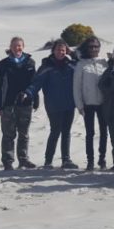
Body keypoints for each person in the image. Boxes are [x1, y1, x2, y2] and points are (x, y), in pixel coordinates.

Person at [24, 39, 78, 169]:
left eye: (63, 50)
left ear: (66, 51)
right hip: (53, 104)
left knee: (66, 131)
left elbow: (82, 76)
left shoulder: (72, 65)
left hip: (69, 103)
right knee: (55, 131)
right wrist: (28, 93)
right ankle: (48, 161)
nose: (60, 52)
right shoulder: (47, 66)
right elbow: (37, 82)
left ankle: (66, 159)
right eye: (58, 49)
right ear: (53, 51)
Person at [0, 36, 38, 170]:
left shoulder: (30, 62)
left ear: (23, 47)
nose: (17, 48)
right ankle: (8, 161)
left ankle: (23, 159)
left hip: (26, 104)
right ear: (10, 47)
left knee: (24, 134)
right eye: (14, 46)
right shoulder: (4, 63)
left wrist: (35, 101)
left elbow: (34, 83)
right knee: (8, 134)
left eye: (19, 46)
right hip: (8, 104)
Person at [74, 36, 109, 170]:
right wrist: (79, 105)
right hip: (88, 104)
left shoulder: (104, 62)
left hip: (102, 103)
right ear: (86, 49)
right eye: (91, 47)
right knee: (90, 133)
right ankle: (90, 160)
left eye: (96, 47)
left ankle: (102, 159)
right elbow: (76, 86)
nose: (94, 49)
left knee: (103, 132)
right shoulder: (81, 64)